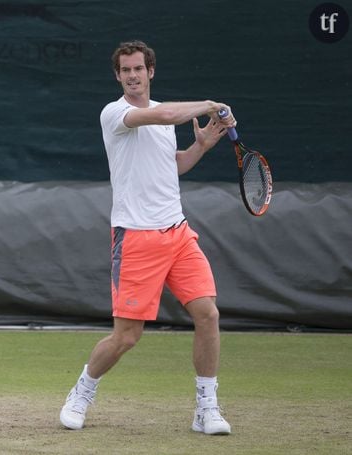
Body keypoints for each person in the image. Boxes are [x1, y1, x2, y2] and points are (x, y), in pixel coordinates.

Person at [60, 40, 236, 435]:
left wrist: (201, 146)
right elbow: (168, 114)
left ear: (150, 71)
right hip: (136, 239)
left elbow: (171, 166)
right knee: (127, 336)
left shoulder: (163, 122)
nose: (133, 76)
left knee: (208, 314)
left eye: (139, 68)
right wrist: (210, 105)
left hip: (177, 233)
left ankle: (206, 407)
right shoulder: (115, 113)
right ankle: (82, 391)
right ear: (118, 76)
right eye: (126, 70)